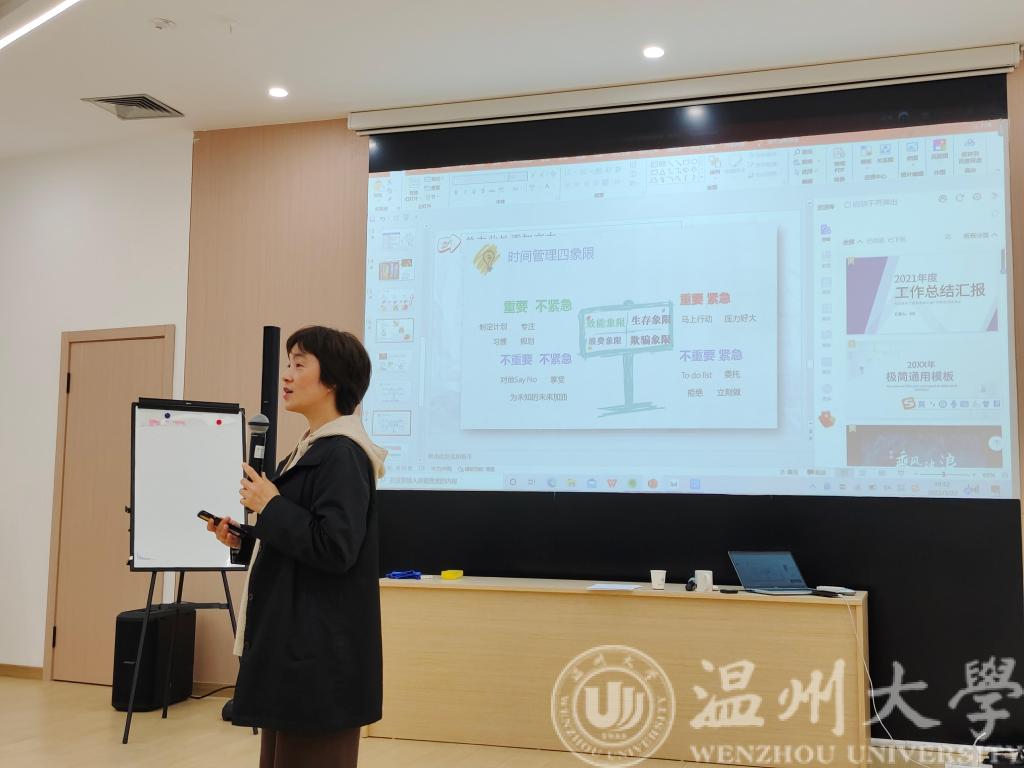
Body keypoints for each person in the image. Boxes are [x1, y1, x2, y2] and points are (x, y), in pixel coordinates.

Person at [207, 325, 388, 768]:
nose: (286, 375)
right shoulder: (308, 450)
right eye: (288, 364)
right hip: (295, 650)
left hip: (319, 658)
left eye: (299, 365)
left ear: (332, 382)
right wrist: (245, 540)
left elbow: (335, 548)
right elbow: (300, 542)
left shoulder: (343, 454)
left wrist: (270, 505)